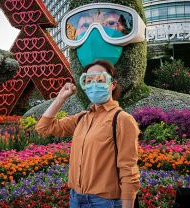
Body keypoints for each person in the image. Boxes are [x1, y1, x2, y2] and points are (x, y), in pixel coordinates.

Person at [35, 59, 140, 208]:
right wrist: (61, 97)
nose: (94, 85)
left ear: (112, 84)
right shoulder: (82, 118)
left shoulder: (122, 119)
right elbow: (43, 128)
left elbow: (128, 167)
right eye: (88, 81)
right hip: (76, 199)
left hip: (105, 202)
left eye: (100, 80)